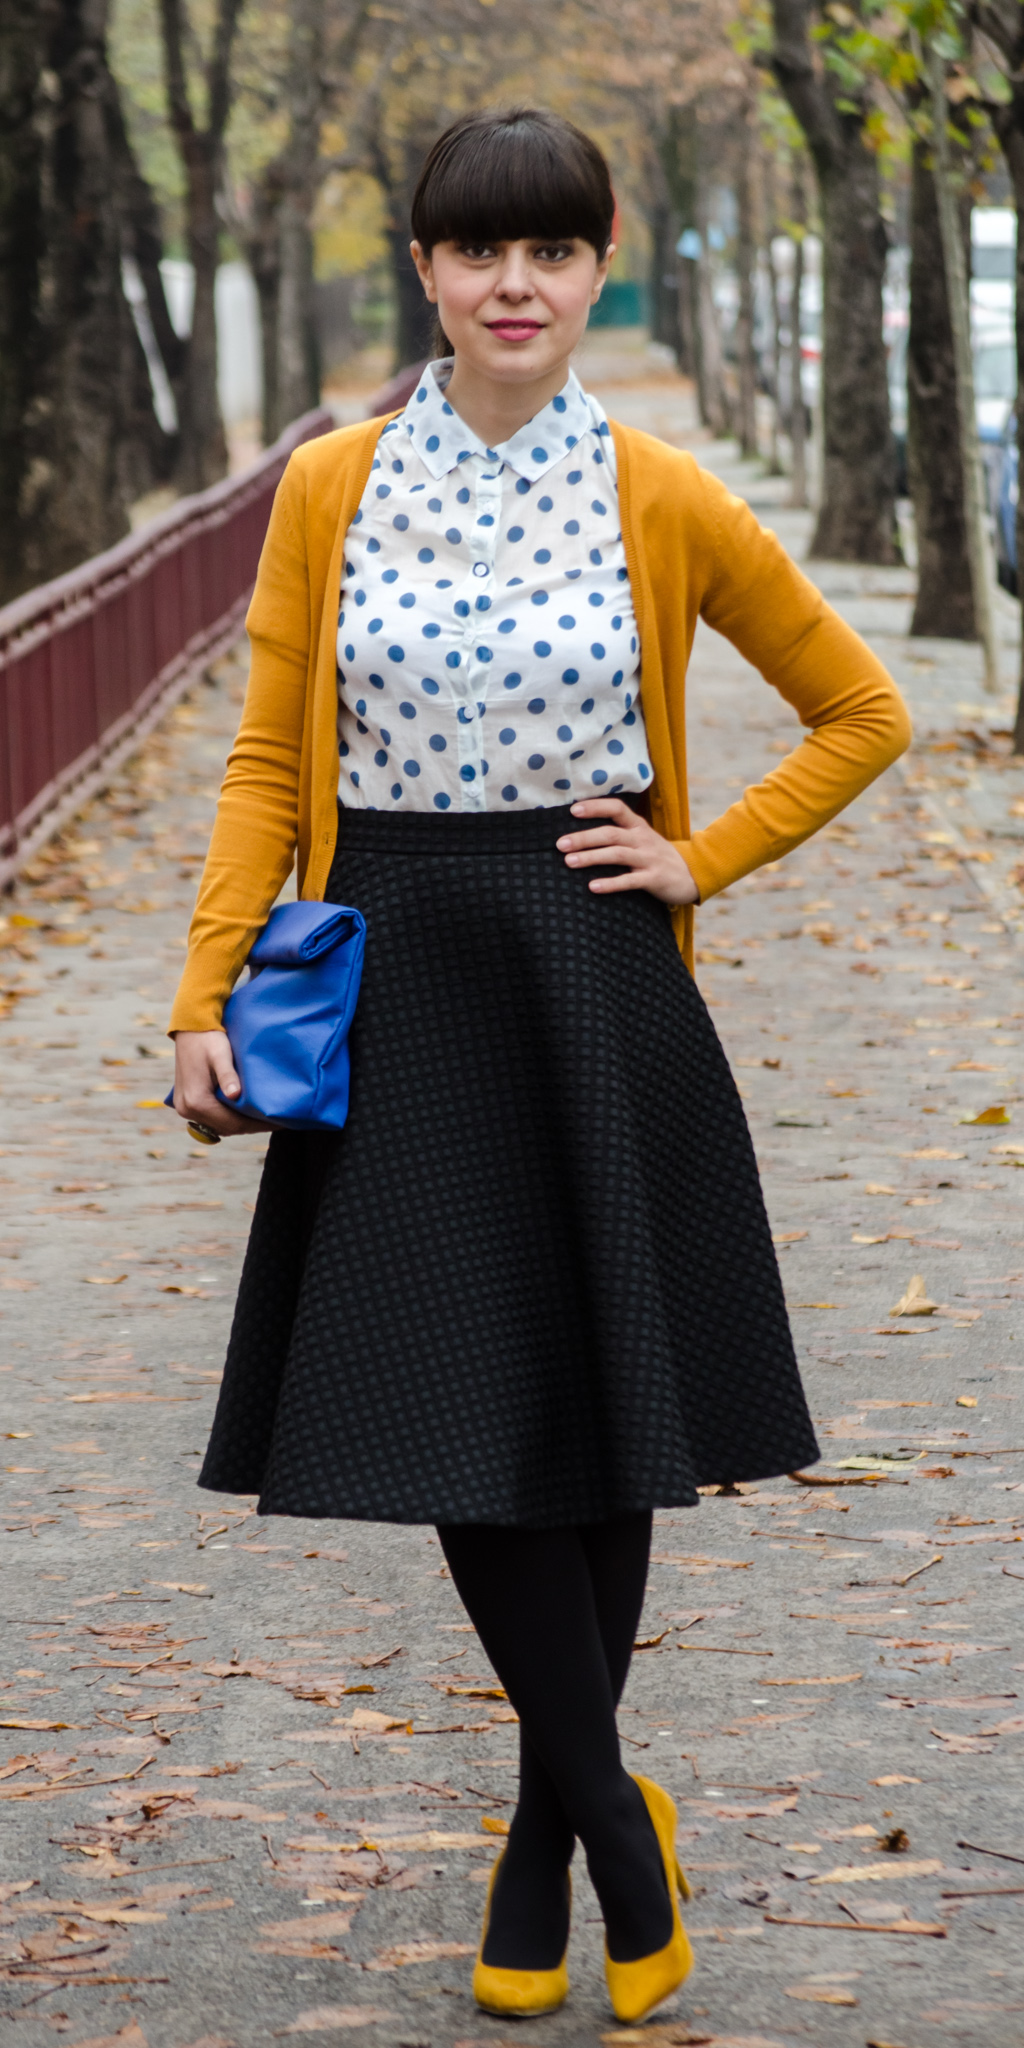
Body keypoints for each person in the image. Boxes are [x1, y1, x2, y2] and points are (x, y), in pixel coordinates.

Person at [169, 106, 911, 2024]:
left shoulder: (660, 492)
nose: (516, 283)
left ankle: (535, 1831)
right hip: (395, 973)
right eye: (479, 251)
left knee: (597, 1404)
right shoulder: (330, 489)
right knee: (450, 1402)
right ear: (424, 268)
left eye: (555, 251)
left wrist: (700, 856)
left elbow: (863, 707)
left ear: (595, 270)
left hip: (590, 973)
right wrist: (200, 1003)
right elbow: (269, 761)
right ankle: (611, 1812)